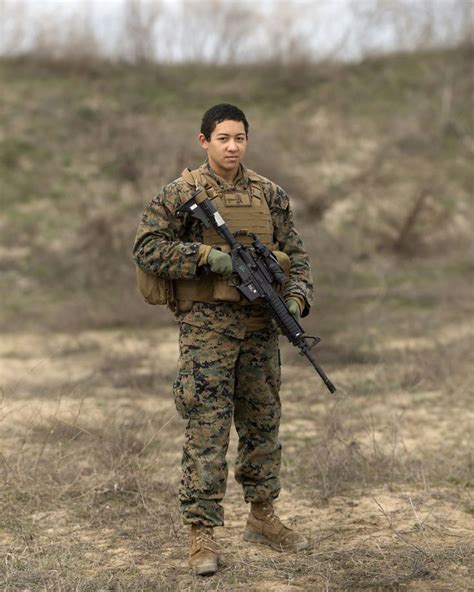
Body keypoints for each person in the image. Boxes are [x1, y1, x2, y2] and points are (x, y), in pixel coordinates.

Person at [133, 103, 313, 576]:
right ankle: (201, 533)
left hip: (260, 328)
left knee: (262, 423)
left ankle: (262, 514)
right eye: (223, 138)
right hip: (207, 332)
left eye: (240, 138)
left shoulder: (270, 194)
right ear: (204, 141)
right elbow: (146, 248)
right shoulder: (183, 193)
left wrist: (295, 302)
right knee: (207, 429)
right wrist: (207, 259)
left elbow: (297, 255)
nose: (232, 147)